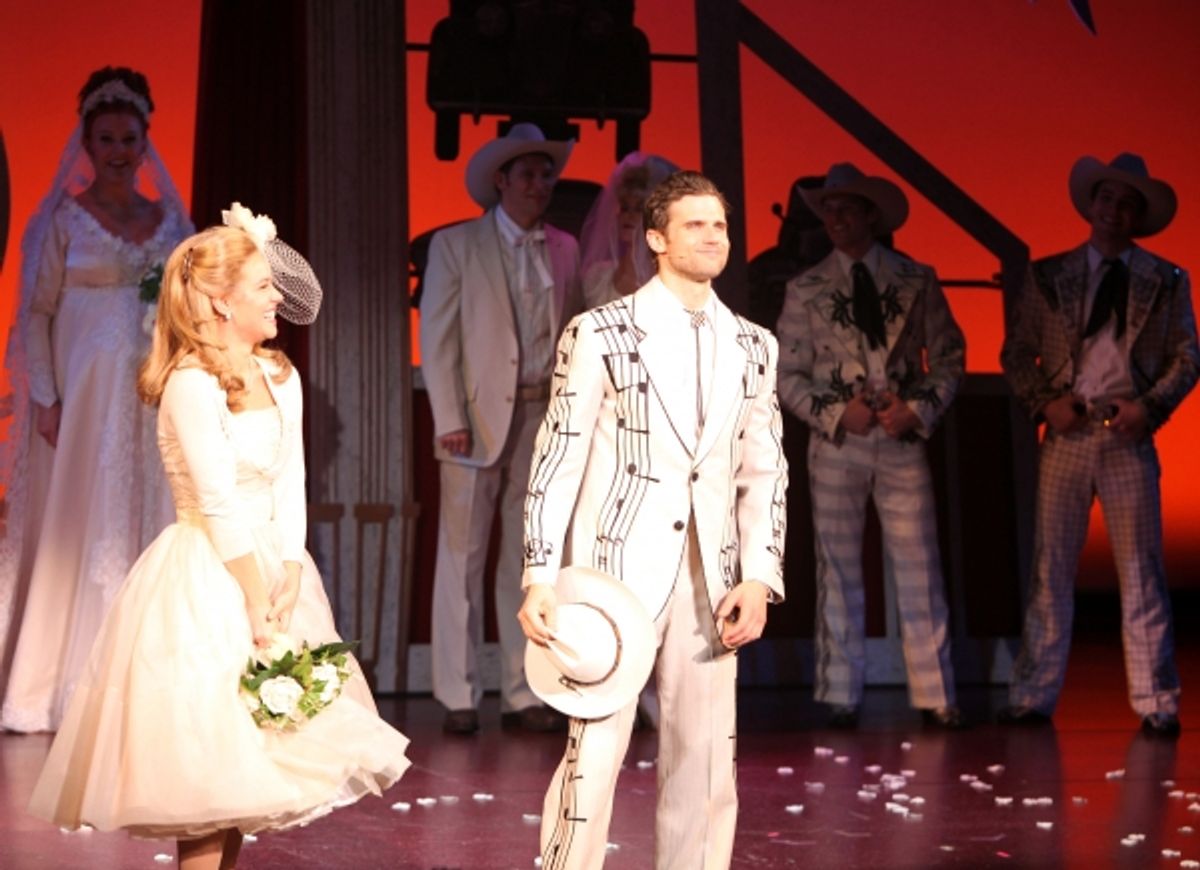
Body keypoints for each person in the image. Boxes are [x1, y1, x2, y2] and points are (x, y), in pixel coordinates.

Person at [28, 205, 411, 870]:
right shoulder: (190, 383)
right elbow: (217, 500)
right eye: (263, 286)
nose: (277, 298)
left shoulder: (280, 376)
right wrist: (256, 602)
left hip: (272, 573)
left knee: (247, 771)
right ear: (218, 301)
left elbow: (290, 478)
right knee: (205, 776)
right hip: (210, 578)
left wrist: (290, 565)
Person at [518, 170, 788, 868]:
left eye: (721, 225)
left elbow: (765, 470)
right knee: (593, 753)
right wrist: (539, 575)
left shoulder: (755, 344)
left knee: (704, 762)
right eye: (696, 225)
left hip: (712, 583)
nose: (712, 236)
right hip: (616, 576)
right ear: (658, 239)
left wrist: (759, 577)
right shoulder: (600, 333)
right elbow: (557, 459)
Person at [0, 67, 193, 732]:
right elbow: (35, 312)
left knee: (151, 520)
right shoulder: (62, 218)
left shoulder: (168, 220)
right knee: (81, 523)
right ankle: (61, 686)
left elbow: (189, 305)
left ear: (145, 144)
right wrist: (45, 398)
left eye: (128, 138)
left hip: (152, 395)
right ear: (86, 143)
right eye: (105, 138)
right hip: (81, 400)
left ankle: (147, 683)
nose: (117, 149)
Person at [999, 153, 1198, 737]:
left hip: (1125, 433)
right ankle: (1033, 693)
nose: (1115, 212)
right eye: (1108, 199)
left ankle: (1157, 698)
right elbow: (1017, 352)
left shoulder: (1165, 280)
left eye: (1127, 204)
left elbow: (1188, 356)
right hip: (1068, 431)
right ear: (1092, 205)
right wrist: (1045, 404)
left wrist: (1149, 408)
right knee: (1050, 567)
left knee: (1141, 570)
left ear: (1139, 216)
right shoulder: (1050, 274)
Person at [775, 163, 966, 730]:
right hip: (839, 442)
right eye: (828, 210)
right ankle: (840, 692)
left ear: (870, 216)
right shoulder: (805, 288)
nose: (834, 219)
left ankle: (936, 693)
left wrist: (918, 408)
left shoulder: (916, 278)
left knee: (919, 564)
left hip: (901, 437)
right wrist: (837, 413)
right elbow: (787, 375)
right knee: (837, 566)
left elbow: (950, 356)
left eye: (846, 209)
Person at [419, 123, 586, 735]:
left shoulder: (564, 248)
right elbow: (438, 339)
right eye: (528, 174)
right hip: (478, 418)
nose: (540, 184)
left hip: (543, 414)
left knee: (529, 557)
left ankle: (524, 690)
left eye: (547, 174)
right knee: (462, 557)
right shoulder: (458, 245)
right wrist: (449, 418)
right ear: (501, 181)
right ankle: (458, 693)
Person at [579, 151, 679, 304]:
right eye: (625, 208)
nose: (629, 216)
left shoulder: (674, 283)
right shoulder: (597, 278)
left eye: (639, 209)